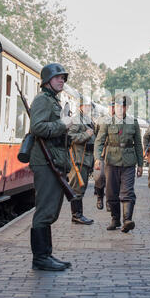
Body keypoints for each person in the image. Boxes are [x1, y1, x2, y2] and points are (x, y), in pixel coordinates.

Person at [29, 63, 72, 271]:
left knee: (51, 210)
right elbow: (37, 127)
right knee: (45, 210)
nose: (61, 80)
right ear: (47, 81)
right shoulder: (42, 100)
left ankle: (46, 254)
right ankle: (40, 258)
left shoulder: (53, 101)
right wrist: (63, 125)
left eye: (63, 78)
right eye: (57, 78)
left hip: (53, 160)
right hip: (45, 162)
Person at [94, 94, 143, 233]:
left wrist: (140, 165)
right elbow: (99, 141)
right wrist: (98, 158)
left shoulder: (133, 122)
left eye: (123, 106)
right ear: (114, 107)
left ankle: (127, 220)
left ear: (127, 107)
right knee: (111, 193)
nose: (120, 108)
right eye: (118, 106)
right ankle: (115, 220)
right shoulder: (108, 122)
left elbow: (138, 145)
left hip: (128, 162)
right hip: (111, 161)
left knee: (127, 191)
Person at [68, 95, 95, 225]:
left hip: (87, 159)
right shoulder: (77, 119)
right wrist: (86, 134)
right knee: (77, 188)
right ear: (80, 107)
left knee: (81, 189)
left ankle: (79, 214)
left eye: (90, 106)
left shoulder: (87, 119)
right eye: (86, 106)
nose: (88, 108)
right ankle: (76, 215)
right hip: (78, 159)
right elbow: (71, 136)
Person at [93, 97, 115, 211]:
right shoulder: (101, 120)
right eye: (111, 106)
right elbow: (96, 135)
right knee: (99, 176)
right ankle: (100, 197)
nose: (112, 109)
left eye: (114, 106)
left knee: (110, 179)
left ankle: (109, 201)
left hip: (113, 153)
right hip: (102, 152)